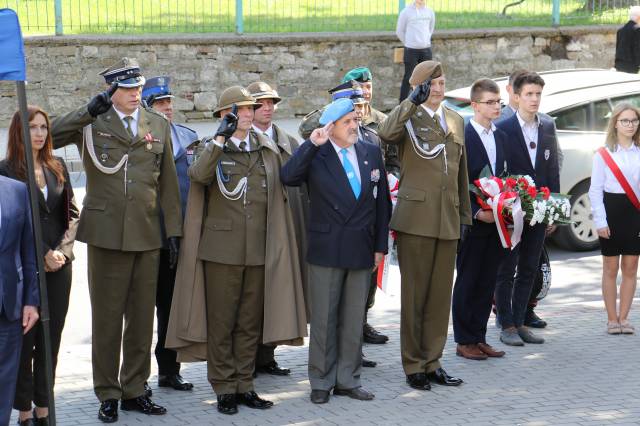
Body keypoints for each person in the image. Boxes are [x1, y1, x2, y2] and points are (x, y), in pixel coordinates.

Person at [50, 57, 182, 423]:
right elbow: (49, 135)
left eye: (138, 87)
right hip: (107, 234)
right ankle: (107, 392)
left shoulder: (156, 123)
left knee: (141, 320)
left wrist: (173, 231)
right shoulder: (94, 121)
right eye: (127, 88)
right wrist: (85, 111)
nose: (135, 93)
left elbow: (168, 182)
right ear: (112, 90)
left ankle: (135, 389)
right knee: (108, 319)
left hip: (147, 232)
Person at [177, 86, 306, 415]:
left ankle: (245, 384)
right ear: (224, 115)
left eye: (250, 109)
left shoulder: (265, 148)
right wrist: (219, 141)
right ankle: (223, 387)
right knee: (223, 322)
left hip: (259, 248)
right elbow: (198, 176)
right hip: (221, 252)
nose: (247, 114)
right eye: (240, 110)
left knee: (250, 323)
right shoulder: (212, 149)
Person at [280, 98, 391, 404]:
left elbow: (382, 203)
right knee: (325, 320)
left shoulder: (369, 151)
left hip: (361, 246)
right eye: (347, 122)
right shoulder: (317, 152)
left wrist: (380, 245)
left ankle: (348, 379)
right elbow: (287, 177)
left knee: (354, 318)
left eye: (355, 120)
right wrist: (312, 145)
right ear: (330, 127)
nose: (355, 126)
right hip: (327, 247)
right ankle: (320, 380)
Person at [377, 60, 471, 391]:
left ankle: (434, 362)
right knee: (415, 296)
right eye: (433, 84)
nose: (440, 89)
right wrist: (410, 102)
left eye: (443, 83)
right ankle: (413, 364)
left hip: (447, 218)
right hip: (415, 219)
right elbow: (385, 133)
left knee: (438, 297)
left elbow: (461, 173)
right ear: (419, 87)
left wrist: (464, 216)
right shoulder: (408, 117)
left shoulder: (456, 119)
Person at [1, 106, 79, 426]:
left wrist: (60, 251)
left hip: (60, 267)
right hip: (24, 269)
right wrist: (42, 251)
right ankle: (24, 411)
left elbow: (72, 214)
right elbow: (10, 225)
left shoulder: (57, 166)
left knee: (51, 339)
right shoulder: (5, 171)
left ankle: (45, 408)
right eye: (32, 127)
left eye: (44, 127)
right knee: (25, 340)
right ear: (19, 131)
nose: (39, 133)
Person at [494, 72, 560, 346]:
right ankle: (506, 323)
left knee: (530, 267)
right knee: (507, 268)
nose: (534, 100)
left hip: (540, 211)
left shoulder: (547, 125)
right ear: (516, 96)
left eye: (538, 94)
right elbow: (499, 171)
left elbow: (552, 168)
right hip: (513, 211)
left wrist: (553, 209)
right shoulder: (504, 128)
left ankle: (520, 321)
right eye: (529, 94)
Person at [142, 76, 197, 392]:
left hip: (179, 238)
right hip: (148, 237)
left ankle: (169, 370)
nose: (167, 108)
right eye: (160, 103)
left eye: (169, 102)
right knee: (140, 311)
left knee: (171, 308)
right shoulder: (142, 139)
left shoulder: (188, 138)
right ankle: (136, 377)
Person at [247, 80, 306, 377]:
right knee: (253, 298)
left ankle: (267, 356)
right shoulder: (243, 141)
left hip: (285, 228)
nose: (267, 108)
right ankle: (249, 359)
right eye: (260, 103)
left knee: (278, 293)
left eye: (271, 102)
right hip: (254, 232)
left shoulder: (289, 141)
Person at [451, 79, 508, 361]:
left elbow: (505, 179)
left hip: (497, 221)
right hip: (474, 222)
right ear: (474, 105)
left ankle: (479, 336)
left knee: (487, 281)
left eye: (498, 102)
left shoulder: (501, 135)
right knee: (468, 279)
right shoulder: (462, 136)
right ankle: (463, 340)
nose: (496, 106)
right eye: (490, 102)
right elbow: (456, 181)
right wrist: (475, 211)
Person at [588, 102, 640, 335]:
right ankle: (612, 319)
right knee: (610, 268)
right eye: (625, 121)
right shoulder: (603, 154)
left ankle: (625, 318)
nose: (630, 125)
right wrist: (600, 221)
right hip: (611, 212)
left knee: (631, 268)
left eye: (634, 120)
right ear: (615, 124)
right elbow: (595, 190)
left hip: (635, 214)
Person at [0, 176, 39, 426]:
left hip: (10, 306)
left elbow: (28, 250)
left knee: (4, 381)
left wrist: (31, 301)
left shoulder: (16, 190)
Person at [396, 0, 436, 101]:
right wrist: (409, 43)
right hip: (411, 50)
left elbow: (431, 29)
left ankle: (425, 102)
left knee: (427, 78)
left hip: (426, 50)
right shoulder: (406, 12)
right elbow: (399, 31)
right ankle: (402, 104)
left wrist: (424, 41)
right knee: (409, 78)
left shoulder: (430, 11)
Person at [615, 6, 640, 74]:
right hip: (631, 66)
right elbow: (637, 49)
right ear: (638, 17)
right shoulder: (637, 30)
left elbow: (618, 49)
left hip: (619, 64)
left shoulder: (620, 30)